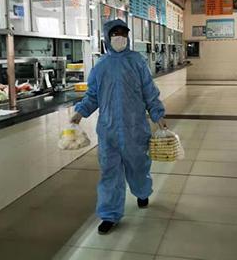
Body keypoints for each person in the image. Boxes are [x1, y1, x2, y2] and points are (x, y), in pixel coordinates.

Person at [71, 19, 166, 234]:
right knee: (109, 172)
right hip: (109, 130)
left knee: (139, 165)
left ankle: (142, 192)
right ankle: (109, 214)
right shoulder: (101, 66)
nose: (120, 37)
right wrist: (80, 113)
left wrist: (158, 114)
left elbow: (149, 91)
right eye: (115, 34)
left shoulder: (137, 62)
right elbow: (92, 96)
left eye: (123, 33)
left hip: (135, 127)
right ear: (107, 37)